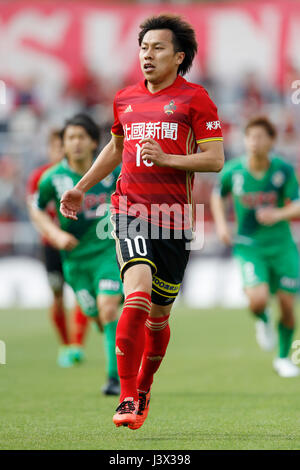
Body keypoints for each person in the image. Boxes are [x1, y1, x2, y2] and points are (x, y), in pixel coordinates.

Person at [60, 14, 224, 429]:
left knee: (159, 318)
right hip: (129, 211)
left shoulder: (195, 99)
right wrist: (81, 186)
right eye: (143, 48)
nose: (147, 56)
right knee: (135, 294)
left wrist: (169, 158)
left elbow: (215, 159)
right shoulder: (124, 99)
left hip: (174, 221)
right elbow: (115, 149)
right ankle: (127, 395)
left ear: (179, 56)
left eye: (158, 48)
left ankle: (145, 388)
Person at [30, 114, 123, 395]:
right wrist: (55, 234)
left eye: (82, 137)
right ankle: (107, 329)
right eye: (70, 138)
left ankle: (114, 379)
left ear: (94, 142)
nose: (76, 143)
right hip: (75, 262)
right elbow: (36, 207)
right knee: (93, 312)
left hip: (108, 254)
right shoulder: (53, 178)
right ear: (64, 144)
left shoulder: (112, 172)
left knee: (108, 308)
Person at [211, 116, 300, 378]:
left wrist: (278, 214)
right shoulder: (234, 170)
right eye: (250, 137)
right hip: (249, 246)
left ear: (271, 141)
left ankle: (283, 358)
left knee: (286, 305)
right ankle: (262, 321)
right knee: (258, 301)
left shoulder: (283, 170)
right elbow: (218, 196)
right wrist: (222, 226)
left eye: (261, 137)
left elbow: (297, 203)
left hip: (282, 246)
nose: (254, 142)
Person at [27, 129, 89, 368]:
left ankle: (77, 345)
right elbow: (36, 210)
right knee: (57, 296)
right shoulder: (41, 177)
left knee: (84, 293)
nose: (59, 150)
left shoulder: (81, 175)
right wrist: (53, 234)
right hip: (52, 247)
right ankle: (65, 345)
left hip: (79, 244)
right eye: (55, 146)